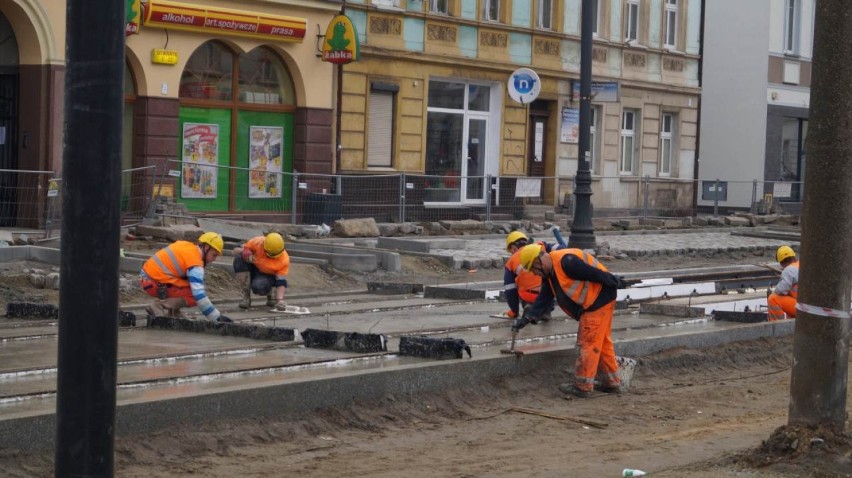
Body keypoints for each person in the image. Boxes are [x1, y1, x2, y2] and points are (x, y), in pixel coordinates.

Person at [513, 244, 625, 398]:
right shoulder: (550, 273)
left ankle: (583, 386)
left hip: (597, 301)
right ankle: (612, 383)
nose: (534, 273)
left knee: (588, 343)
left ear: (539, 260)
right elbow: (544, 298)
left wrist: (615, 281)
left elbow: (596, 274)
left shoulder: (567, 262)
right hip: (598, 301)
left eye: (533, 269)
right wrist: (526, 318)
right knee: (602, 343)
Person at [140, 231, 232, 322]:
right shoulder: (195, 262)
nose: (214, 259)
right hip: (153, 283)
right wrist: (216, 318)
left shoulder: (188, 247)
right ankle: (159, 306)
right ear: (206, 247)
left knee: (188, 284)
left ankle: (175, 312)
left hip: (148, 279)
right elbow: (199, 295)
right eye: (214, 255)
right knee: (193, 294)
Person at [502, 231, 556, 319]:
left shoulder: (511, 262)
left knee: (519, 286)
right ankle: (546, 311)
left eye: (510, 251)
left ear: (513, 247)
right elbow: (557, 247)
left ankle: (529, 306)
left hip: (528, 296)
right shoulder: (540, 246)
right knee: (549, 283)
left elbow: (510, 290)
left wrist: (514, 311)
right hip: (547, 295)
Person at [233, 232, 290, 311]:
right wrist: (245, 252)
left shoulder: (284, 260)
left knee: (259, 287)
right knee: (239, 259)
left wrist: (280, 300)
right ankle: (246, 297)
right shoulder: (258, 242)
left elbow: (281, 282)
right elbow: (235, 250)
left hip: (267, 276)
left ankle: (271, 294)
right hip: (253, 269)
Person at [767, 245, 799, 321]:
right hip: (809, 305)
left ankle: (777, 326)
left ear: (782, 262)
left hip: (801, 307)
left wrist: (773, 292)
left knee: (773, 299)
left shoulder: (789, 270)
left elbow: (781, 290)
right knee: (787, 298)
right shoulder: (802, 265)